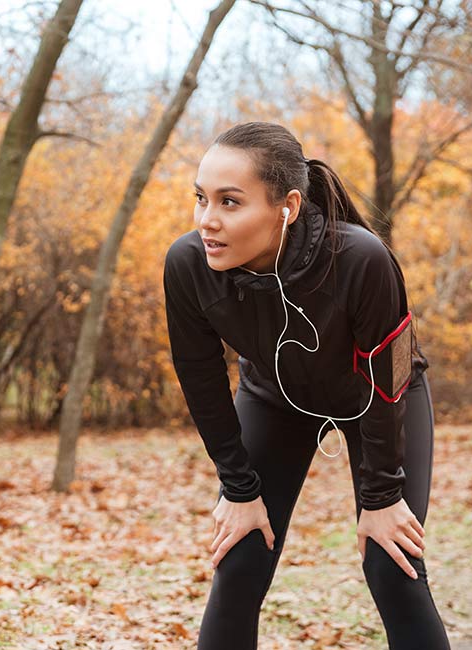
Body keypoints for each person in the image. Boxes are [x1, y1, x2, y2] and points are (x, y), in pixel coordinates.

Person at [162, 121, 451, 649]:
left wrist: (382, 497)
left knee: (392, 564)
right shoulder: (189, 265)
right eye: (201, 198)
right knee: (240, 557)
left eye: (230, 202)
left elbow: (390, 372)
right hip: (274, 400)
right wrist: (239, 490)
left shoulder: (362, 258)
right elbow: (200, 378)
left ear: (288, 207)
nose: (207, 220)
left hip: (378, 398)